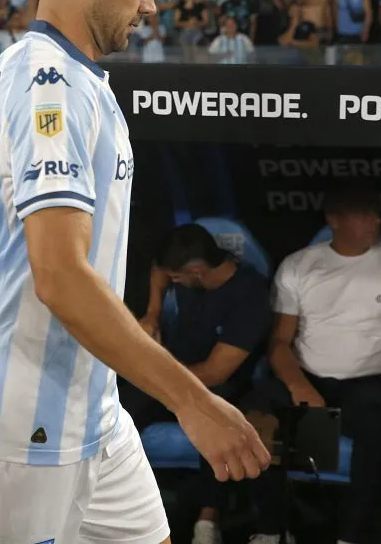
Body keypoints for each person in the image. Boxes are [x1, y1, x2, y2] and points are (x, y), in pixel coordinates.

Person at [0, 0, 270, 544]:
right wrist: (192, 399)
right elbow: (59, 277)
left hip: (90, 407)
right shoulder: (45, 82)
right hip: (15, 426)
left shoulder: (77, 79)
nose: (150, 2)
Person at [255, 183, 381, 544]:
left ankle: (351, 537)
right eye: (362, 214)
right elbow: (279, 343)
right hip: (307, 378)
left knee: (378, 429)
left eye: (376, 214)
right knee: (257, 415)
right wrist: (300, 388)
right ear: (333, 219)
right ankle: (270, 530)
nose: (374, 222)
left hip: (366, 384)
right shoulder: (300, 265)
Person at [132, 224, 275, 544]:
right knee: (124, 411)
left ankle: (207, 522)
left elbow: (215, 373)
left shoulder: (250, 296)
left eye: (177, 278)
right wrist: (153, 314)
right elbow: (158, 269)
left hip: (225, 385)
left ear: (196, 271)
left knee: (215, 415)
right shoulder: (189, 270)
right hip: (171, 375)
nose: (172, 282)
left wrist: (152, 372)